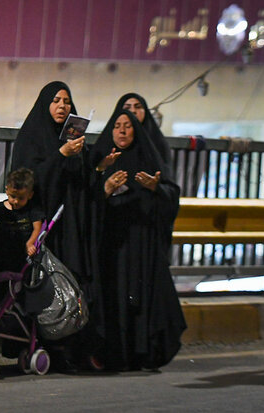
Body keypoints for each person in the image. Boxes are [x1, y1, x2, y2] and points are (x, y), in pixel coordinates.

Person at [10, 81, 105, 370]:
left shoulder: (75, 142)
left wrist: (97, 169)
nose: (62, 106)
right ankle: (51, 348)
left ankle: (76, 348)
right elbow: (27, 179)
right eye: (56, 101)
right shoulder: (31, 137)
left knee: (75, 284)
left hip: (72, 227)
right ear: (44, 105)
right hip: (44, 227)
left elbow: (83, 184)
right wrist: (60, 155)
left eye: (66, 101)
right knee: (50, 288)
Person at [90, 108, 186, 371]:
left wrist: (155, 188)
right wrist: (104, 189)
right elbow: (84, 200)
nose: (122, 131)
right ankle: (113, 354)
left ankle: (142, 353)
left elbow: (170, 194)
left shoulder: (148, 157)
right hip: (112, 244)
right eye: (117, 125)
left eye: (128, 126)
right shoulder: (101, 159)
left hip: (141, 245)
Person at [0, 167, 43, 274]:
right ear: (6, 190)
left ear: (30, 195)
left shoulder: (32, 210)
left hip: (21, 251)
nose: (16, 201)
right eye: (13, 196)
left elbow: (37, 228)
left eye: (21, 198)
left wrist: (30, 243)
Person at [92, 93, 172, 174]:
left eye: (138, 107)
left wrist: (154, 185)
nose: (133, 111)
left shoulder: (157, 142)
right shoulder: (107, 140)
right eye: (127, 107)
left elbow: (167, 179)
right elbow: (91, 174)